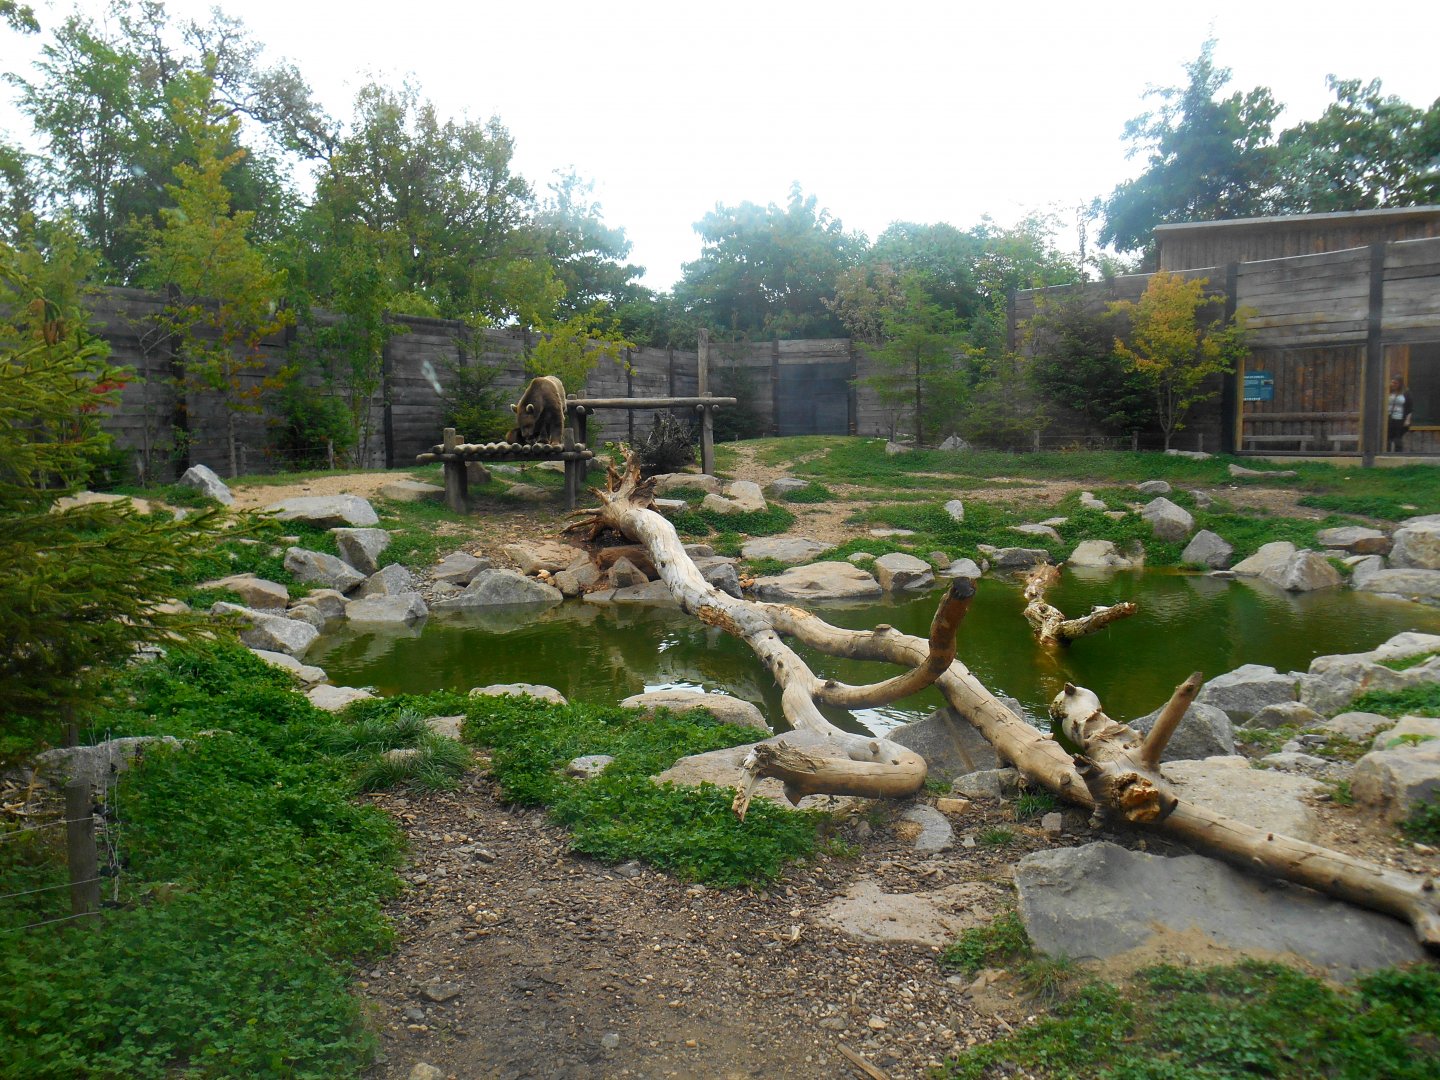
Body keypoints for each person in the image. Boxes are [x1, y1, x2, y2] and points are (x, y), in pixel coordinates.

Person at [1387, 376, 1413, 453]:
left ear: (1400, 384)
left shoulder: (1406, 393)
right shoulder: (1389, 392)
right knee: (1388, 437)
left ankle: (1398, 453)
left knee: (1397, 437)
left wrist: (1407, 420)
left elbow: (1410, 408)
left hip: (1400, 418)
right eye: (1392, 382)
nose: (1393, 384)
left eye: (1395, 383)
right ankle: (1387, 453)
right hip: (1389, 417)